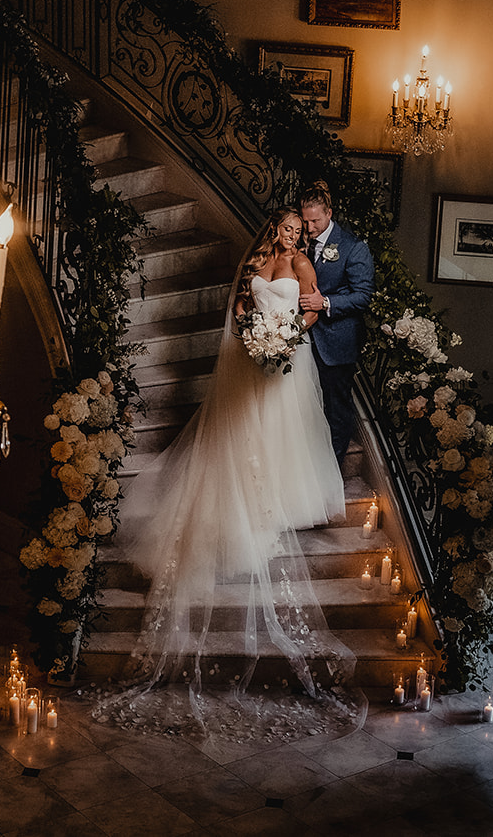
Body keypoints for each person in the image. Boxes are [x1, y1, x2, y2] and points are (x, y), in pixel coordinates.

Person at [94, 207, 356, 740]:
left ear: (303, 232)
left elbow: (310, 311)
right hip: (248, 356)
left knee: (280, 429)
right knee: (240, 428)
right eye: (284, 227)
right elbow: (239, 302)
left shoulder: (304, 264)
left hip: (285, 356)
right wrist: (249, 329)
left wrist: (284, 337)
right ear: (274, 229)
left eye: (296, 229)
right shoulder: (258, 259)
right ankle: (244, 492)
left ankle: (276, 495)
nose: (290, 234)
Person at [298, 180, 375, 465]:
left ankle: (330, 469)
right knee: (305, 407)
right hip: (304, 340)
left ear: (329, 213)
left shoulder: (354, 247)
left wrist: (325, 303)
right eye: (306, 221)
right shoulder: (300, 241)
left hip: (337, 344)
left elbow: (363, 297)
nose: (309, 227)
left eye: (315, 220)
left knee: (336, 409)